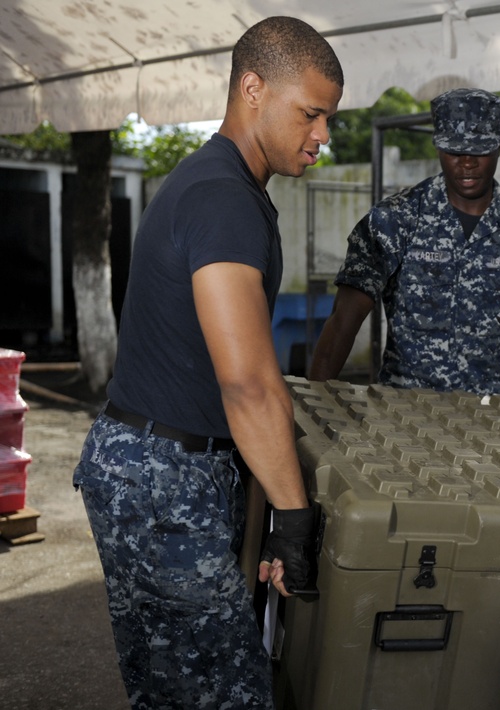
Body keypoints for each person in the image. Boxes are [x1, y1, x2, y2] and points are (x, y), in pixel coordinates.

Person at [72, 17, 343, 709]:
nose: (323, 137)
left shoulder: (221, 186)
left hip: (158, 466)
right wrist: (295, 518)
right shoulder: (224, 200)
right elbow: (248, 384)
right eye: (310, 114)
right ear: (252, 89)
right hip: (163, 482)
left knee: (173, 686)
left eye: (329, 118)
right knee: (227, 691)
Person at [308, 88, 500, 400]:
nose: (467, 163)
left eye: (479, 150)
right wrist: (314, 405)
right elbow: (345, 318)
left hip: (492, 416)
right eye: (454, 150)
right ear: (438, 148)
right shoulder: (392, 221)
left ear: (499, 147)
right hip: (404, 414)